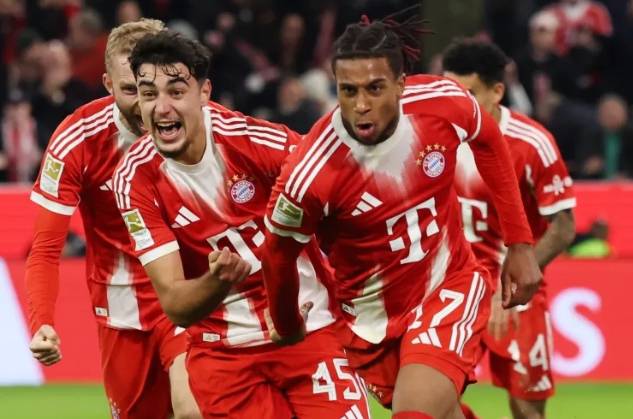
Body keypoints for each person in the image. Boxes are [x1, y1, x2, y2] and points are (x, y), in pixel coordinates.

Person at [260, 10, 542, 419]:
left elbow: (488, 139)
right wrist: (286, 323)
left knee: (415, 413)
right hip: (370, 319)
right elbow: (277, 253)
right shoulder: (311, 171)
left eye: (375, 88)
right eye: (348, 91)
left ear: (400, 83)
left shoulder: (441, 103)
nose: (361, 105)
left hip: (447, 285)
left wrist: (520, 243)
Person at [113, 30, 370, 419]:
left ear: (204, 93)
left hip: (310, 329)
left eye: (176, 92)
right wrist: (219, 280)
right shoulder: (134, 180)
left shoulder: (258, 143)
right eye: (149, 94)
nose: (162, 107)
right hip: (224, 356)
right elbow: (176, 305)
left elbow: (348, 195)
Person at [25, 20, 200, 419]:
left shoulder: (200, 125)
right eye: (129, 90)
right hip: (121, 309)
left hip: (190, 296)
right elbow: (46, 248)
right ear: (107, 84)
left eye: (150, 89)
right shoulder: (77, 140)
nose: (144, 105)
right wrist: (42, 322)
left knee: (192, 410)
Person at [442, 39, 577, 419]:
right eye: (450, 93)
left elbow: (564, 228)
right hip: (454, 289)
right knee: (432, 400)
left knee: (527, 409)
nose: (457, 106)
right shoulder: (431, 138)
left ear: (497, 91)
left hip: (517, 292)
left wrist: (511, 285)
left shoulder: (532, 143)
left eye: (469, 94)